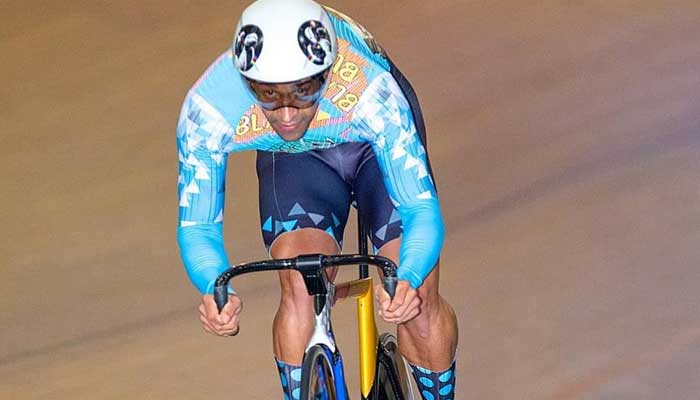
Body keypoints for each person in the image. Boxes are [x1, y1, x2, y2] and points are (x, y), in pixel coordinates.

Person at [176, 0, 459, 398]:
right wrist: (213, 286)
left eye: (304, 91)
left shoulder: (372, 90)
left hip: (372, 147)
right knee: (299, 290)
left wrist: (409, 277)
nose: (288, 113)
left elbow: (420, 212)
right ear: (244, 80)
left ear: (326, 73)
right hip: (297, 159)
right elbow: (198, 227)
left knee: (417, 300)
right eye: (267, 94)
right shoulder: (208, 109)